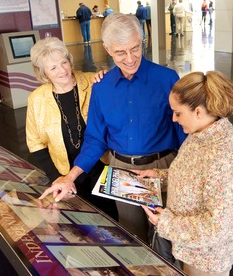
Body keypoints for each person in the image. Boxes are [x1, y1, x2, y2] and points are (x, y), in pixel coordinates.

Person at [39, 13, 187, 243]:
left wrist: (189, 171)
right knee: (133, 236)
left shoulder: (167, 79)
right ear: (107, 49)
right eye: (120, 52)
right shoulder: (102, 87)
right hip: (122, 171)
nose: (130, 58)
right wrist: (70, 176)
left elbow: (183, 130)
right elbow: (96, 139)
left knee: (169, 236)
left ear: (142, 40)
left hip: (163, 166)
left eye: (135, 48)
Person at [137, 71, 233, 276]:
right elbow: (192, 176)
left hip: (206, 260)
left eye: (178, 113)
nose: (173, 118)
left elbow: (218, 226)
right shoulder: (201, 133)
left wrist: (166, 223)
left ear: (198, 111)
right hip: (189, 249)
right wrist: (159, 177)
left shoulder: (222, 157)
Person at [26, 37, 118, 220]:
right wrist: (57, 178)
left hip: (101, 167)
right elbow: (35, 143)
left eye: (64, 62)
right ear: (44, 73)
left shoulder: (94, 83)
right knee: (78, 223)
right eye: (53, 68)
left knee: (110, 220)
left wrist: (110, 79)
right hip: (64, 173)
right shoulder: (36, 99)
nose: (62, 70)